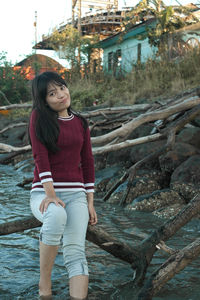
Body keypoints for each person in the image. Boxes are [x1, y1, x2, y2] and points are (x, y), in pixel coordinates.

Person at [28, 71, 97, 300]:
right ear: (43, 100)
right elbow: (40, 156)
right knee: (56, 216)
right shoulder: (38, 117)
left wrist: (90, 202)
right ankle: (44, 285)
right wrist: (50, 194)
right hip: (43, 191)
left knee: (76, 251)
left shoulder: (81, 122)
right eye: (52, 93)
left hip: (76, 194)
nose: (60, 95)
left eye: (62, 88)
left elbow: (87, 162)